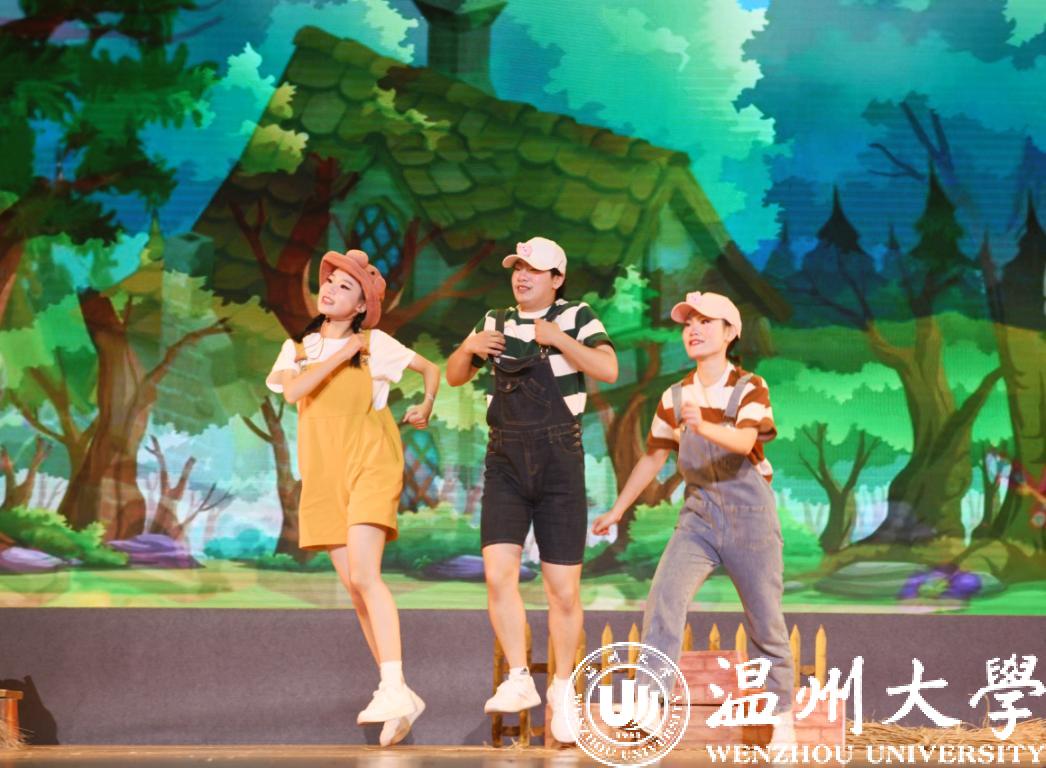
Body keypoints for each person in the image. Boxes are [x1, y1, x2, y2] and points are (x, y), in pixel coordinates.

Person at [592, 291, 796, 746]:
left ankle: (781, 715)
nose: (694, 330)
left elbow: (745, 442)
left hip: (750, 516)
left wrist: (702, 425)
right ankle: (649, 702)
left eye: (706, 322)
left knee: (765, 621)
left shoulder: (750, 386)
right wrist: (617, 509)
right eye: (688, 323)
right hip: (699, 516)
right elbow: (654, 457)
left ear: (730, 333)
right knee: (664, 599)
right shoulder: (674, 395)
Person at [445, 236, 618, 743]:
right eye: (517, 268)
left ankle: (562, 688)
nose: (522, 276)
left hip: (560, 461)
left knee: (562, 590)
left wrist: (558, 338)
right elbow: (455, 377)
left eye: (533, 270)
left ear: (557, 279)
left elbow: (608, 368)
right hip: (505, 461)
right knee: (498, 574)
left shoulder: (577, 315)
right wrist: (467, 349)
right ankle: (519, 676)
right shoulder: (494, 320)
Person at [266, 249, 440, 747]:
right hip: (323, 477)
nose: (331, 290)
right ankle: (399, 692)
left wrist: (426, 404)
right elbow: (294, 392)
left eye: (346, 287)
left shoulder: (374, 344)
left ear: (362, 305)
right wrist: (338, 355)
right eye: (330, 281)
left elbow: (429, 369)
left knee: (366, 576)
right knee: (354, 590)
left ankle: (392, 686)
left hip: (370, 462)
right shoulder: (297, 349)